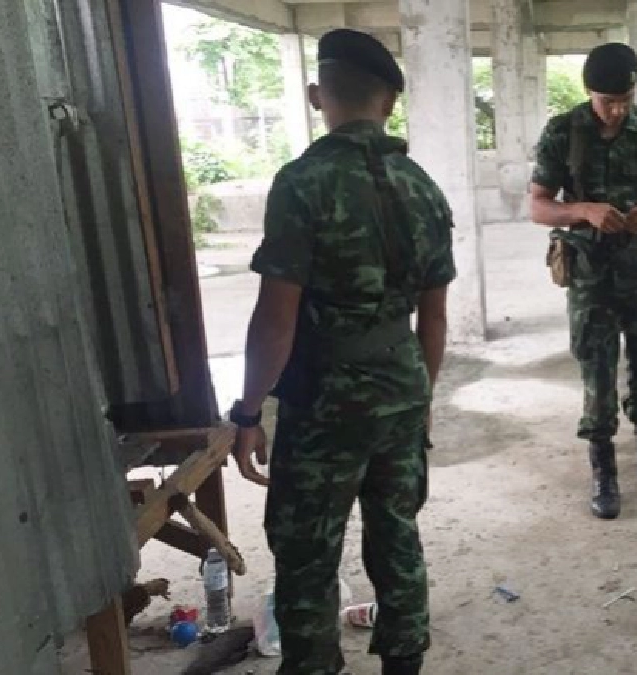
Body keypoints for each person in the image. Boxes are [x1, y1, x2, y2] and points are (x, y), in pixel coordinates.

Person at [228, 29, 455, 675]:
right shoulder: (423, 187)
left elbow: (277, 317)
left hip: (326, 401)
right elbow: (434, 316)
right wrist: (423, 400)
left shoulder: (303, 182)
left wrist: (248, 413)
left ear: (315, 95)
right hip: (403, 389)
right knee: (397, 539)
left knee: (306, 552)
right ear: (390, 102)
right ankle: (404, 664)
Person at [529, 43, 637, 520]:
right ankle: (603, 469)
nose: (618, 109)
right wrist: (582, 210)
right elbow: (538, 205)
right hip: (590, 273)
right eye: (609, 100)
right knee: (597, 369)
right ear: (590, 92)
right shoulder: (563, 132)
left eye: (626, 97)